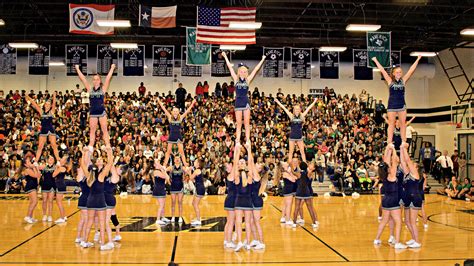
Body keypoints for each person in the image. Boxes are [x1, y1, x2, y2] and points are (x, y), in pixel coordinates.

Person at [372, 55, 422, 146]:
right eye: (397, 72)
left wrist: (418, 59)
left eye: (400, 72)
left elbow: (411, 70)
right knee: (391, 124)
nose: (399, 73)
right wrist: (375, 61)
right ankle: (389, 142)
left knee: (403, 124)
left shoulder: (403, 80)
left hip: (402, 105)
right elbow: (382, 70)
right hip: (392, 105)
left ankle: (403, 141)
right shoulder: (390, 81)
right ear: (394, 73)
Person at [222, 52, 266, 145]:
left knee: (246, 123)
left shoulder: (248, 80)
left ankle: (248, 140)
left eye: (244, 71)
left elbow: (256, 69)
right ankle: (237, 140)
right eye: (241, 71)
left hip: (246, 102)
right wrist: (225, 56)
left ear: (246, 73)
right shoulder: (235, 79)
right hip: (238, 102)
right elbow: (230, 67)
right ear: (238, 72)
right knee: (238, 123)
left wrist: (262, 59)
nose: (242, 72)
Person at [80, 146, 114, 250]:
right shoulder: (102, 175)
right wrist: (109, 151)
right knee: (102, 222)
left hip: (90, 200)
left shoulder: (90, 175)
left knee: (89, 222)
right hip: (100, 201)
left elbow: (82, 164)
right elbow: (110, 163)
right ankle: (103, 244)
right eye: (99, 159)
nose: (99, 160)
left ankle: (84, 242)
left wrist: (83, 152)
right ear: (100, 164)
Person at [75, 64, 116, 151]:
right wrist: (77, 69)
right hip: (93, 112)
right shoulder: (90, 89)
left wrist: (112, 68)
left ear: (100, 80)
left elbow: (108, 78)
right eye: (94, 79)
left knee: (104, 129)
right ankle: (90, 145)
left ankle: (107, 144)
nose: (95, 81)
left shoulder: (103, 89)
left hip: (101, 112)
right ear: (93, 81)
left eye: (97, 79)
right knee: (92, 130)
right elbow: (83, 79)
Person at [374, 144, 407, 249]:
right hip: (393, 200)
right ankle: (397, 243)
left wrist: (388, 149)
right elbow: (395, 160)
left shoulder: (383, 175)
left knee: (384, 221)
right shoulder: (392, 174)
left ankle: (377, 239)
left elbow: (386, 162)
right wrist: (393, 148)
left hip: (385, 200)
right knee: (398, 222)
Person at [275, 97, 317, 163]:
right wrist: (277, 102)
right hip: (292, 137)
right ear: (294, 110)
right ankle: (289, 166)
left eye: (298, 109)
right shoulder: (291, 116)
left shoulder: (302, 116)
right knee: (291, 152)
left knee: (302, 152)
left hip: (299, 137)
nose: (297, 110)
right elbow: (284, 108)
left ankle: (304, 165)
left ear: (300, 109)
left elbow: (309, 108)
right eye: (295, 109)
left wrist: (315, 101)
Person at [158, 98, 196, 167]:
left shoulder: (181, 118)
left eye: (176, 111)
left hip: (178, 137)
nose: (175, 112)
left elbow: (187, 111)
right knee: (168, 152)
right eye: (174, 111)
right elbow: (164, 109)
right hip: (171, 136)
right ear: (172, 112)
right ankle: (164, 166)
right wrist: (159, 102)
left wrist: (192, 103)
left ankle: (186, 166)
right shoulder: (169, 117)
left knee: (182, 152)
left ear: (178, 112)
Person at [25, 92, 60, 164]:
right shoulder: (41, 112)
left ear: (50, 106)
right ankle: (36, 161)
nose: (47, 105)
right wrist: (28, 96)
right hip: (43, 129)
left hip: (50, 129)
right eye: (46, 104)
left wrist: (54, 96)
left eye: (48, 104)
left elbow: (54, 104)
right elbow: (34, 103)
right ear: (44, 105)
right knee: (40, 146)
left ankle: (58, 160)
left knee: (53, 145)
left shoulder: (52, 112)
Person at [400, 142, 422, 248]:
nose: (411, 165)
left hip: (415, 197)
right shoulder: (407, 173)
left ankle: (417, 241)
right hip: (407, 198)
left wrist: (404, 148)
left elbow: (408, 160)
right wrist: (400, 148)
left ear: (416, 168)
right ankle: (413, 238)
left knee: (412, 221)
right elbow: (403, 162)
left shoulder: (415, 174)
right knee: (407, 221)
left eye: (414, 165)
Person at [233, 144, 253, 252]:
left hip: (248, 200)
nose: (241, 164)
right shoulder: (236, 174)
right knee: (238, 222)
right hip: (239, 199)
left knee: (248, 223)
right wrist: (237, 150)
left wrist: (249, 150)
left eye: (243, 162)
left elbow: (246, 184)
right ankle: (240, 242)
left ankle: (248, 242)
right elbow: (235, 163)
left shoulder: (249, 174)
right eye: (239, 163)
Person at [247, 143, 266, 250]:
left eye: (259, 164)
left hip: (257, 201)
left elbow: (250, 162)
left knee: (257, 222)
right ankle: (255, 239)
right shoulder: (254, 173)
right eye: (258, 163)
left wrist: (249, 150)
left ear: (260, 169)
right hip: (251, 199)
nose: (257, 164)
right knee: (251, 222)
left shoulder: (257, 175)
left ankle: (262, 242)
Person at [292, 161, 319, 229]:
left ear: (300, 167)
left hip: (299, 192)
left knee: (296, 208)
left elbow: (292, 172)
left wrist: (291, 165)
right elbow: (310, 171)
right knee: (310, 208)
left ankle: (294, 223)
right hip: (306, 192)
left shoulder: (298, 174)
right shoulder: (308, 173)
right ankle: (314, 223)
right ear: (306, 167)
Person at [166, 156, 189, 223]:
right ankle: (173, 216)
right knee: (173, 202)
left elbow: (188, 172)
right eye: (176, 159)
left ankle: (180, 217)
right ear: (174, 160)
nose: (177, 160)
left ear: (180, 160)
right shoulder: (171, 167)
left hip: (180, 186)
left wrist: (185, 178)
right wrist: (168, 179)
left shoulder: (182, 168)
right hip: (173, 186)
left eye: (178, 159)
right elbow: (164, 170)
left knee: (180, 202)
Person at [104, 164, 121, 246]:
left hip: (109, 199)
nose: (116, 168)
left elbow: (111, 166)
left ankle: (109, 241)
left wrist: (110, 154)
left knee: (105, 221)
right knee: (113, 217)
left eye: (118, 168)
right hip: (109, 199)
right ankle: (117, 234)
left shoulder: (116, 176)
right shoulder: (112, 175)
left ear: (120, 171)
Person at [22, 158, 41, 224]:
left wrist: (36, 167)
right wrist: (35, 167)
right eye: (28, 162)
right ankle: (27, 216)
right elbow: (36, 175)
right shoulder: (27, 170)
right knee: (35, 201)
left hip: (33, 186)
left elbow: (39, 175)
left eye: (30, 161)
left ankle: (30, 216)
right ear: (25, 164)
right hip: (30, 186)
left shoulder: (31, 169)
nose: (30, 162)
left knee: (32, 202)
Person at [153, 159, 171, 226]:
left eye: (159, 162)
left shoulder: (160, 171)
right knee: (161, 205)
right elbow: (166, 177)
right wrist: (163, 169)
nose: (159, 163)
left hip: (162, 188)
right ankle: (158, 219)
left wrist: (163, 169)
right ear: (155, 165)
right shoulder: (156, 171)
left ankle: (163, 217)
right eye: (157, 162)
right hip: (158, 189)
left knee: (163, 205)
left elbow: (167, 178)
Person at [223, 162, 236, 249]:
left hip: (230, 199)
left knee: (230, 221)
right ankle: (228, 241)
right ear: (227, 169)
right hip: (231, 200)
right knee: (231, 222)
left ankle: (226, 239)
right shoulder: (230, 176)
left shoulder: (232, 175)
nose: (231, 166)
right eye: (229, 166)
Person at [40, 155, 57, 222]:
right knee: (44, 201)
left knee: (50, 201)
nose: (51, 159)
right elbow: (40, 175)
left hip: (52, 185)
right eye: (50, 158)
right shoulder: (44, 167)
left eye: (52, 158)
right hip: (44, 185)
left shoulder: (55, 167)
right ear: (47, 160)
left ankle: (50, 215)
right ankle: (44, 215)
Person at [52, 155, 68, 224]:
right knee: (59, 202)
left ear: (64, 161)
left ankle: (62, 218)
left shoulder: (61, 168)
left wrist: (56, 167)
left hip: (60, 185)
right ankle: (64, 216)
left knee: (59, 202)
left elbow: (53, 175)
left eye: (62, 159)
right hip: (61, 184)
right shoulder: (62, 167)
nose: (60, 159)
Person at [190, 159, 205, 226]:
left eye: (195, 161)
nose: (194, 162)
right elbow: (193, 179)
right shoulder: (197, 170)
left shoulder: (197, 170)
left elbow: (190, 178)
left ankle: (198, 220)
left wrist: (189, 171)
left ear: (198, 164)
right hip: (199, 188)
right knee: (194, 203)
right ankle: (198, 218)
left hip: (200, 189)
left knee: (195, 204)